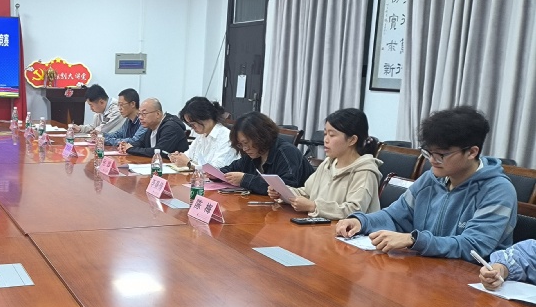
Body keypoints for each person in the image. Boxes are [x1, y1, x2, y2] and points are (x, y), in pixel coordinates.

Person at [335, 106, 516, 261]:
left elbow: (473, 247)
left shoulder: (497, 190)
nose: (432, 160)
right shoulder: (431, 179)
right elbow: (394, 216)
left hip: (473, 279)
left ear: (472, 152)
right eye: (429, 152)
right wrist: (361, 221)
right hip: (427, 269)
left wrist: (414, 240)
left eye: (441, 155)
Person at [269, 108, 382, 219]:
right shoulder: (328, 164)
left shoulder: (365, 172)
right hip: (321, 226)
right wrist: (283, 192)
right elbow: (307, 193)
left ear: (352, 140)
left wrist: (313, 207)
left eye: (332, 135)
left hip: (349, 231)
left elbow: (354, 210)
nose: (326, 140)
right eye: (325, 134)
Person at [219, 112, 313, 194]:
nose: (244, 149)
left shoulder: (287, 152)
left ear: (260, 137)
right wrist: (216, 175)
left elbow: (287, 187)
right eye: (240, 144)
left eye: (246, 143)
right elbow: (232, 169)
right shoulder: (253, 154)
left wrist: (245, 179)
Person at [169, 97, 238, 169]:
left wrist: (188, 163)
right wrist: (178, 157)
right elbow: (189, 155)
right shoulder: (202, 135)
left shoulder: (226, 137)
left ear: (206, 116)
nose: (192, 128)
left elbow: (217, 170)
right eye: (190, 125)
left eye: (193, 124)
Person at [119, 98, 189, 158]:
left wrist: (131, 149)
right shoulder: (151, 127)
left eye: (144, 114)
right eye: (139, 114)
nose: (140, 117)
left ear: (158, 114)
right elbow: (141, 143)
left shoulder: (170, 128)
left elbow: (158, 152)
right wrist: (126, 146)